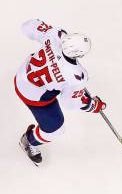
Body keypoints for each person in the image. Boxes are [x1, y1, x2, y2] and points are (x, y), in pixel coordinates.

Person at [16, 19, 105, 165]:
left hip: (22, 75)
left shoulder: (55, 35)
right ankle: (29, 141)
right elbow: (70, 102)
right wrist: (92, 105)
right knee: (56, 129)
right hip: (33, 96)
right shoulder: (76, 76)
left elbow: (26, 27)